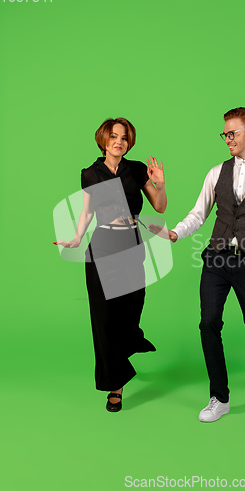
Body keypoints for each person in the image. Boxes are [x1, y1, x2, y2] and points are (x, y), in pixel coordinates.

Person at [149, 107, 245, 422]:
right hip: (217, 257)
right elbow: (198, 213)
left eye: (232, 133)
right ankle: (220, 397)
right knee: (208, 324)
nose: (227, 139)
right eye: (225, 134)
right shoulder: (216, 172)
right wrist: (176, 232)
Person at [54, 117, 166, 412]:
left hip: (130, 244)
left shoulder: (137, 170)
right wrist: (78, 237)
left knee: (132, 306)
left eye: (125, 138)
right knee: (104, 320)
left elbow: (159, 206)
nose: (119, 142)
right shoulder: (91, 174)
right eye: (114, 136)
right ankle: (115, 387)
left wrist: (160, 185)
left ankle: (130, 340)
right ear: (103, 140)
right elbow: (87, 211)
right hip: (102, 247)